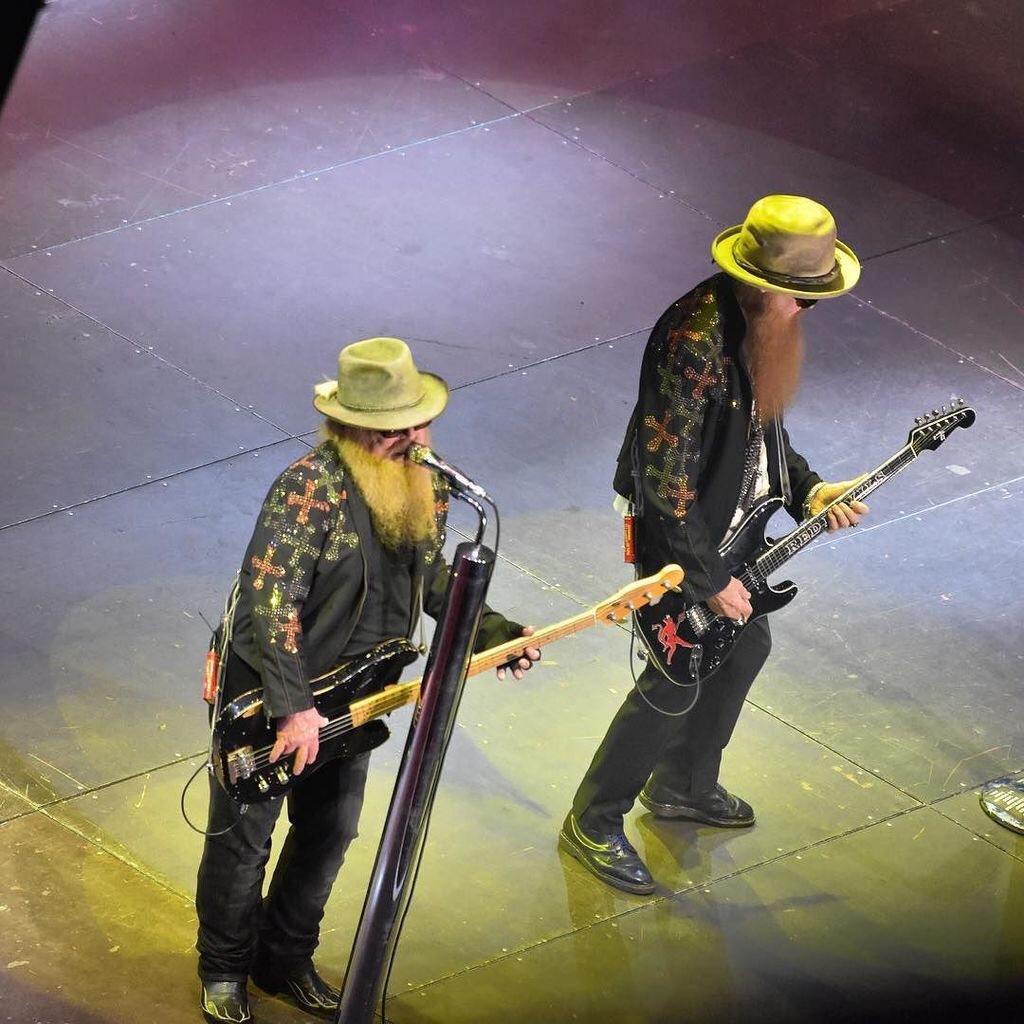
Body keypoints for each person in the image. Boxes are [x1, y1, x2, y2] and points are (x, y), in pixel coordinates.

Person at [195, 337, 540, 1023]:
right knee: (245, 839)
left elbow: (432, 578)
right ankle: (224, 968)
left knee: (332, 830)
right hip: (271, 692)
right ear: (348, 428)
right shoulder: (307, 490)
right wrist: (293, 710)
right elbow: (271, 605)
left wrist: (494, 632)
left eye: (419, 425)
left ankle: (283, 959)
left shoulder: (426, 486)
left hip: (353, 692)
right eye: (392, 431)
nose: (411, 441)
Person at [559, 195, 870, 894]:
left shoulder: (762, 328)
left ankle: (683, 785)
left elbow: (762, 435)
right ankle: (593, 819)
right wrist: (707, 580)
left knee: (746, 645)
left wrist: (809, 491)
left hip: (734, 518)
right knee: (677, 676)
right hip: (683, 535)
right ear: (763, 287)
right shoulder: (693, 342)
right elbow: (664, 482)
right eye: (802, 299)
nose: (807, 312)